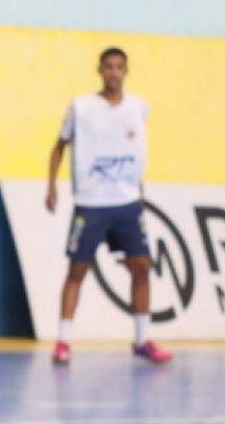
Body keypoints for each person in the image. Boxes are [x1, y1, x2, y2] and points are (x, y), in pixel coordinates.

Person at [46, 47, 172, 365]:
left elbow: (136, 151)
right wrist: (52, 187)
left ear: (126, 71)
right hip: (91, 203)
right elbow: (59, 147)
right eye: (108, 67)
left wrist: (138, 189)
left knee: (141, 266)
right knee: (78, 270)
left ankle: (142, 339)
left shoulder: (139, 108)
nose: (114, 72)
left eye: (119, 67)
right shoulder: (82, 108)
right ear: (99, 70)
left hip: (127, 203)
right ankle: (63, 341)